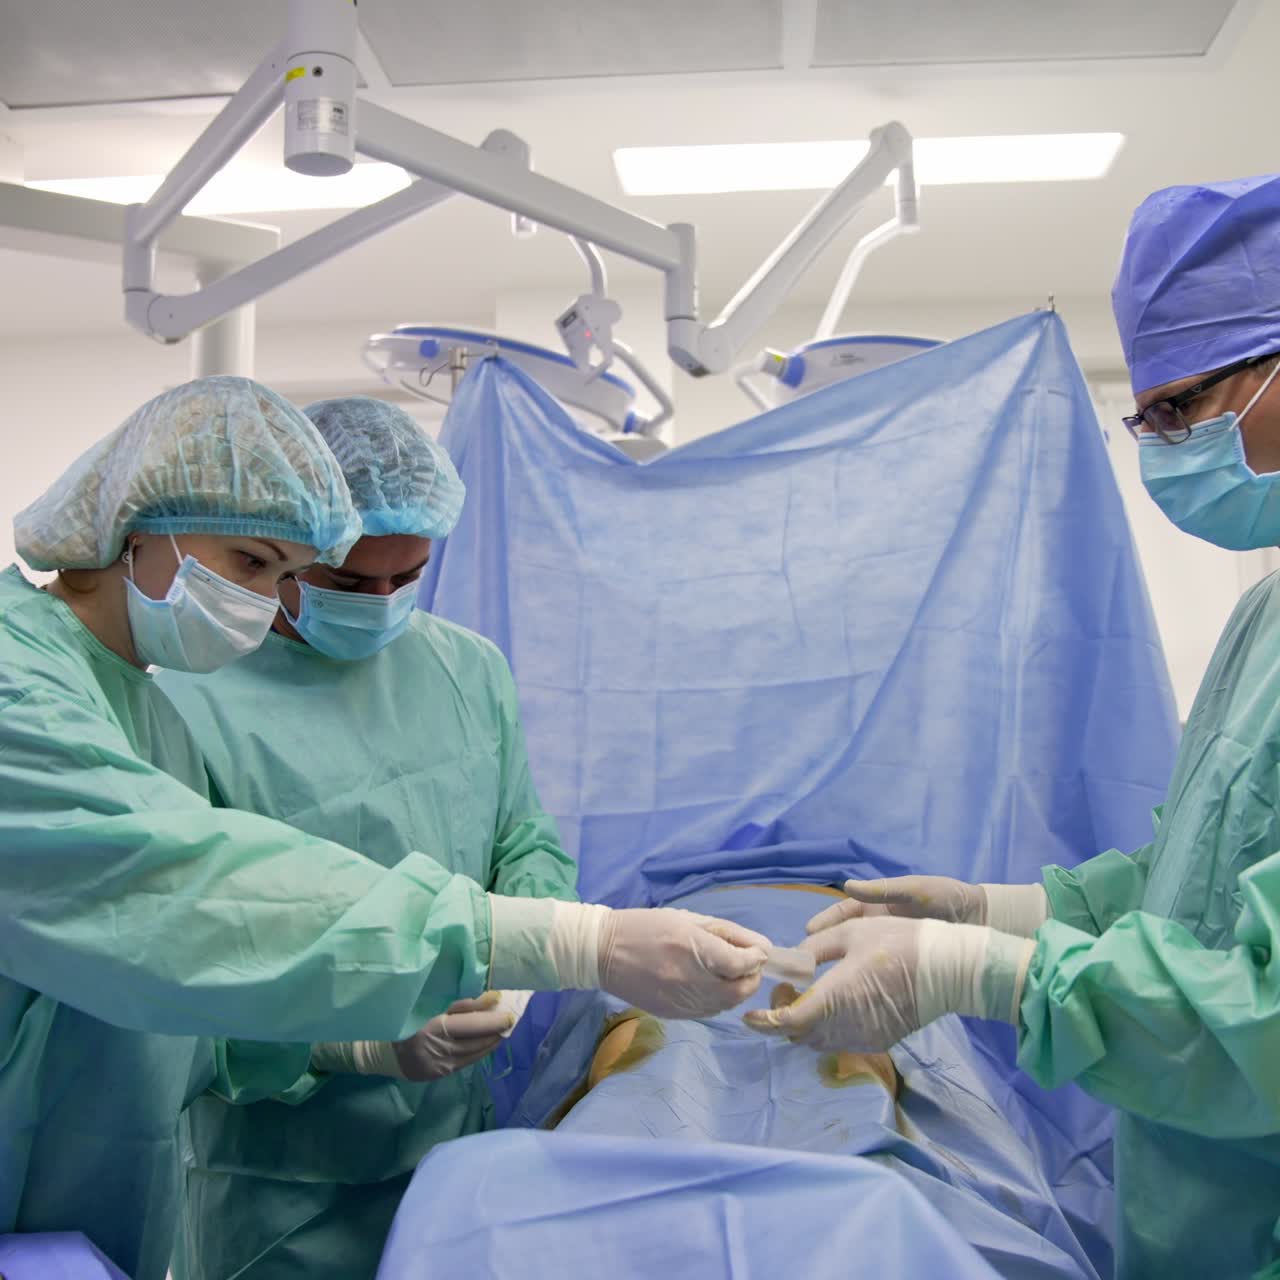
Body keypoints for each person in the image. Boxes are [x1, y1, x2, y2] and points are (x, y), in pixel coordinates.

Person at [0, 376, 770, 1280]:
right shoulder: (34, 690)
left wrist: (489, 980)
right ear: (138, 521)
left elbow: (182, 1003)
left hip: (99, 1174)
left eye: (285, 573)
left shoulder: (139, 706)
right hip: (243, 1175)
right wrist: (560, 942)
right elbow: (197, 898)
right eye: (254, 564)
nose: (266, 600)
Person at [745, 173, 1280, 1279]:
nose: (1162, 442)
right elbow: (1206, 869)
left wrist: (987, 973)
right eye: (1148, 416)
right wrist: (1003, 910)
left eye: (1181, 405)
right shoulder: (1267, 610)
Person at [155, 396, 578, 1280]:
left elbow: (524, 841)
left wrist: (521, 959)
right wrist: (350, 1044)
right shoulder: (180, 705)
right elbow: (173, 976)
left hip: (451, 1144)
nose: (383, 604)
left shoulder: (466, 668)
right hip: (277, 1182)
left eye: (408, 578)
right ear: (278, 552)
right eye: (350, 583)